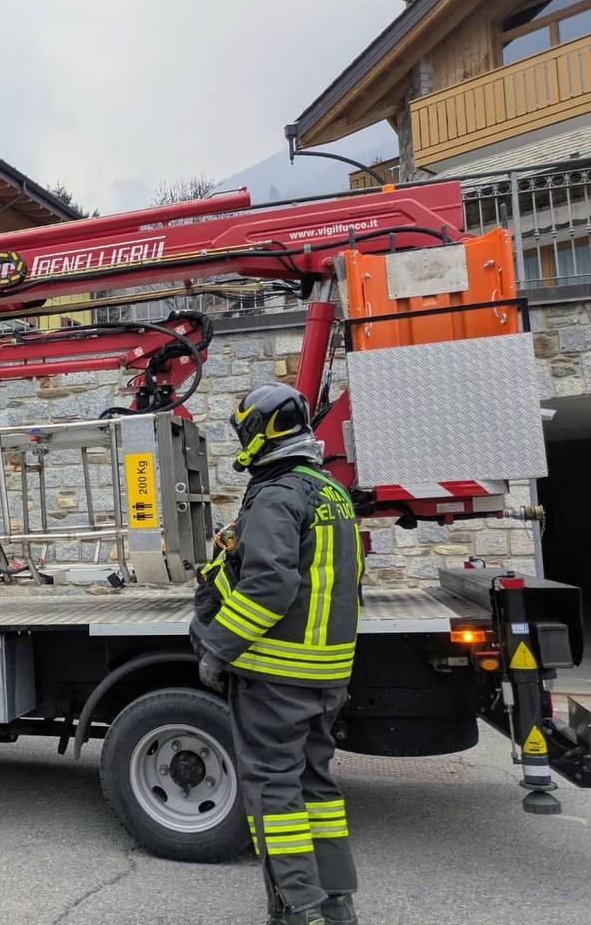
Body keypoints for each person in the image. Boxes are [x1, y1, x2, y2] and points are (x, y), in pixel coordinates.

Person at [190, 382, 363, 925]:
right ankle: (337, 901)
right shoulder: (330, 491)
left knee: (274, 789)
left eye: (245, 430)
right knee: (316, 784)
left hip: (276, 673)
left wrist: (217, 647)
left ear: (263, 432)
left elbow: (268, 584)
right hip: (325, 674)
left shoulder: (277, 493)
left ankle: (295, 909)